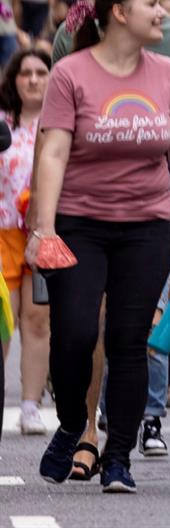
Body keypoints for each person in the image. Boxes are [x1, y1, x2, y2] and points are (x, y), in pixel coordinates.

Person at [29, 0, 170, 493]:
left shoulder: (168, 75)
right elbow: (53, 152)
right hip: (80, 223)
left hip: (146, 224)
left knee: (130, 342)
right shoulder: (70, 74)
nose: (163, 11)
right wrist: (44, 228)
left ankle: (118, 457)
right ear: (118, 13)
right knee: (75, 334)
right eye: (152, 3)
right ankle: (72, 424)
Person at [0, 48, 53, 436]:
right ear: (13, 79)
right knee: (3, 321)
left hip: (43, 233)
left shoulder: (60, 124)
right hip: (2, 233)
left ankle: (31, 406)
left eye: (41, 72)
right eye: (25, 72)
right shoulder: (2, 122)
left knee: (38, 320)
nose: (33, 79)